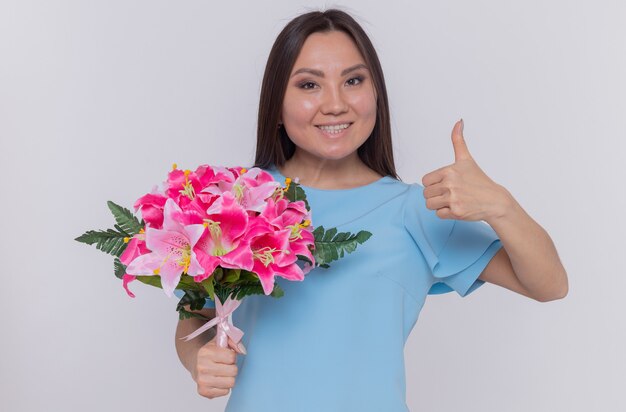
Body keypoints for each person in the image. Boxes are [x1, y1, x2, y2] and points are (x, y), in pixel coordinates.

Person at [174, 8, 568, 411]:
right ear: (276, 104)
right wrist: (198, 360)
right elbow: (194, 311)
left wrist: (500, 206)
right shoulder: (235, 201)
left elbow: (549, 285)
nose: (335, 104)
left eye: (353, 81)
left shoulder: (416, 210)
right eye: (310, 84)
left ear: (375, 92)